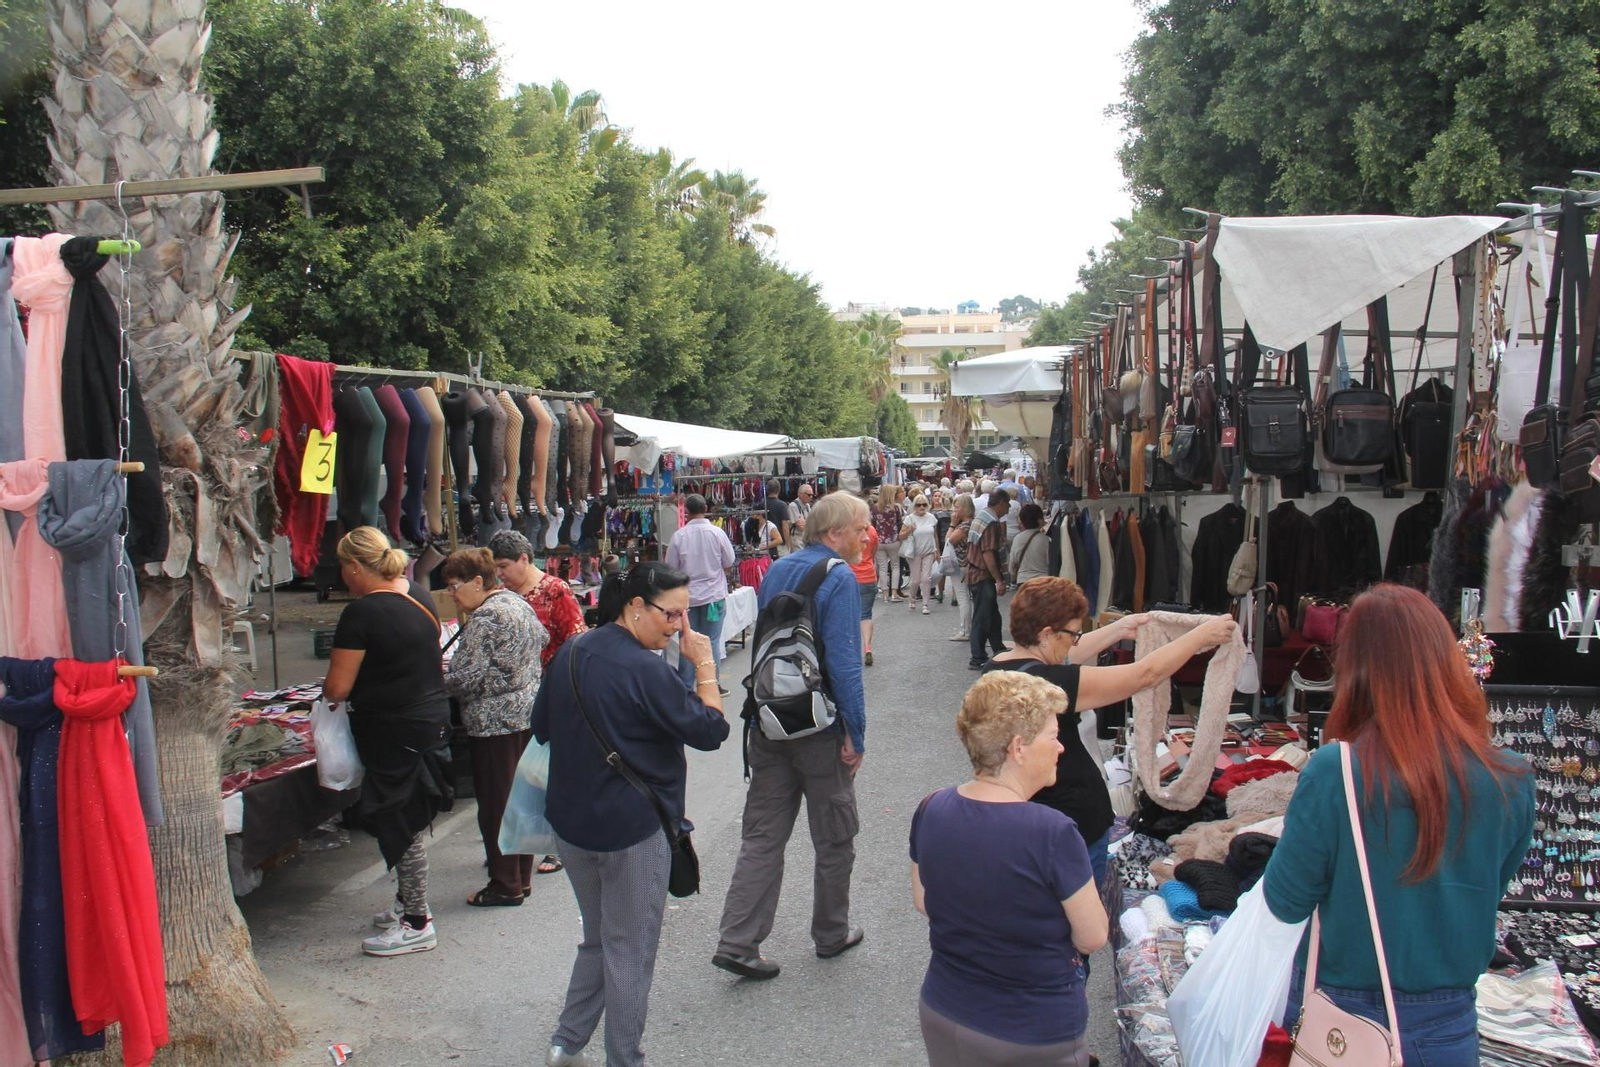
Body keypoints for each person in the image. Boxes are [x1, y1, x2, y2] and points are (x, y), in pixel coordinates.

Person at [1265, 584, 1534, 1066]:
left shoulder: (1337, 771)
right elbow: (1487, 887)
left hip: (1344, 1026)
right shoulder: (1510, 776)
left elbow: (1286, 902)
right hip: (1451, 1027)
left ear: (1358, 668)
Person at [533, 562, 729, 1067]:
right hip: (633, 828)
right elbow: (711, 731)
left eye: (686, 616)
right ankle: (624, 1058)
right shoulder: (647, 669)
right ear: (635, 606)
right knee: (630, 949)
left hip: (572, 823)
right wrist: (704, 666)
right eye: (672, 614)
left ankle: (566, 1042)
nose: (679, 626)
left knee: (600, 939)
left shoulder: (572, 651)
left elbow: (542, 727)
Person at [983, 578, 1236, 888]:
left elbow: (1064, 656)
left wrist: (1119, 629)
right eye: (1073, 633)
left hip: (1050, 821)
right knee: (1071, 923)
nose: (1076, 642)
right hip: (1072, 824)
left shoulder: (999, 668)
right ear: (1047, 634)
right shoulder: (1050, 683)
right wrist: (1199, 638)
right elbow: (1144, 675)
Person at [910, 671, 1106, 1067]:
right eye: (1053, 735)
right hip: (1032, 1030)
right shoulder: (1052, 831)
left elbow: (925, 900)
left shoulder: (932, 807)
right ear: (1019, 747)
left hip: (945, 1010)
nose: (1061, 748)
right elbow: (1092, 937)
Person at [713, 492, 871, 980]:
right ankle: (830, 934)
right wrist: (856, 733)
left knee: (762, 836)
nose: (868, 536)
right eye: (861, 528)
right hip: (819, 727)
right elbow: (844, 663)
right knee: (834, 835)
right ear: (835, 533)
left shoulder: (781, 569)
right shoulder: (838, 577)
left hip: (770, 719)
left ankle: (738, 941)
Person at [324, 526, 453, 957]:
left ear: (356, 567)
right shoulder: (416, 592)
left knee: (400, 822)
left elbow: (337, 688)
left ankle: (417, 921)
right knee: (410, 815)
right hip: (428, 716)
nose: (342, 576)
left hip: (393, 728)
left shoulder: (362, 614)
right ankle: (405, 905)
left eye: (343, 567)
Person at [440, 547, 549, 905]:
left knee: (497, 804)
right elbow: (542, 641)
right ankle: (520, 877)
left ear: (476, 581)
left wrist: (445, 677)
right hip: (524, 714)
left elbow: (464, 676)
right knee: (520, 799)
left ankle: (505, 885)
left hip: (494, 723)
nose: (452, 594)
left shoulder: (488, 617)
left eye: (455, 586)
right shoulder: (518, 604)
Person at [488, 529, 588, 875]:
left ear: (524, 559)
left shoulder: (554, 591)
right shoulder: (503, 596)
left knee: (550, 772)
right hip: (518, 700)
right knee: (522, 773)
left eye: (503, 566)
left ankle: (555, 844)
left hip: (553, 693)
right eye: (496, 567)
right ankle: (521, 842)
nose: (499, 574)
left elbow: (576, 642)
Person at [664, 493, 736, 692]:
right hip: (714, 596)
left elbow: (671, 568)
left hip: (687, 599)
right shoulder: (717, 533)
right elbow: (729, 562)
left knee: (686, 639)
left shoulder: (679, 536)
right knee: (711, 640)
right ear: (705, 508)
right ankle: (712, 684)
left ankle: (686, 685)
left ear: (686, 511)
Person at [966, 488, 1011, 670]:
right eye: (1007, 504)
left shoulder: (982, 516)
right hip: (982, 575)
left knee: (991, 615)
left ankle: (998, 649)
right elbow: (988, 553)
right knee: (983, 617)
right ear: (1000, 503)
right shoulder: (991, 522)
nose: (1008, 508)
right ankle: (977, 657)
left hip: (975, 574)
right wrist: (999, 579)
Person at [899, 493, 940, 614]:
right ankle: (912, 599)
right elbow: (901, 536)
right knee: (916, 580)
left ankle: (925, 604)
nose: (921, 507)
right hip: (914, 553)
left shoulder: (931, 517)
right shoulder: (909, 518)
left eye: (924, 505)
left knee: (926, 578)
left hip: (928, 551)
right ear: (914, 506)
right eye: (918, 505)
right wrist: (909, 529)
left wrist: (937, 550)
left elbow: (935, 535)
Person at [945, 494, 976, 643]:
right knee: (966, 597)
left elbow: (948, 540)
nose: (954, 511)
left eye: (957, 507)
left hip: (961, 564)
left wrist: (952, 524)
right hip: (967, 563)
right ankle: (967, 629)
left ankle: (965, 630)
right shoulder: (972, 523)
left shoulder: (964, 526)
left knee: (962, 597)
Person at [851, 511, 881, 666]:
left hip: (850, 577)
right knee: (866, 615)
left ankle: (851, 650)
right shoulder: (872, 531)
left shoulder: (848, 532)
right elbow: (873, 553)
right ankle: (867, 647)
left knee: (850, 615)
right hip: (868, 576)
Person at [871, 487, 905, 602]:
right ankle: (894, 592)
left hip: (879, 541)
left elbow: (872, 524)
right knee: (895, 566)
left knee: (882, 567)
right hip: (893, 540)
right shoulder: (895, 507)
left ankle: (885, 594)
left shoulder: (875, 508)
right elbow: (900, 522)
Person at [1009, 503, 1051, 586]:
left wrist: (1013, 580)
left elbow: (1012, 566)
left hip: (1023, 582)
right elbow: (1051, 563)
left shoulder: (1017, 538)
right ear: (1039, 519)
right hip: (1043, 582)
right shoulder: (1046, 540)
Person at [765, 478, 791, 557]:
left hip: (765, 542)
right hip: (779, 543)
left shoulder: (761, 504)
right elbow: (785, 527)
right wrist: (788, 544)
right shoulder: (782, 505)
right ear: (779, 490)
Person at [788, 481, 816, 553]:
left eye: (812, 495)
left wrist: (806, 523)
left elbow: (813, 523)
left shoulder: (807, 506)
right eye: (809, 495)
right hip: (797, 539)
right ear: (801, 494)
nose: (811, 497)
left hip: (806, 539)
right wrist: (809, 523)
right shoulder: (793, 506)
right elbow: (800, 527)